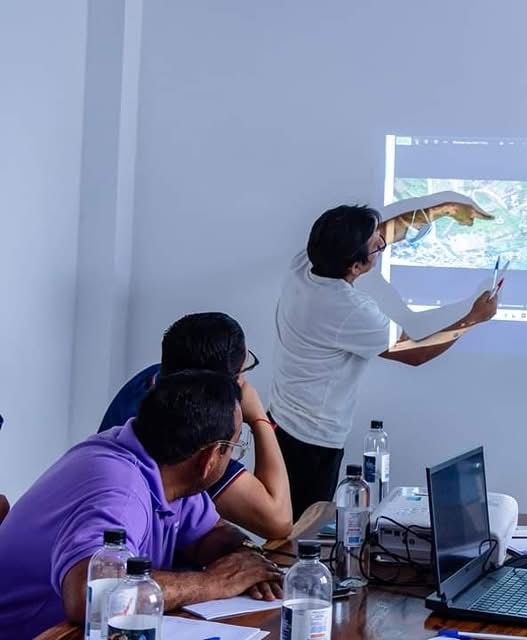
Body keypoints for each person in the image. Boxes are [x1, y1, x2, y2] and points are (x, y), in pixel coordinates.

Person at [0, 371, 285, 639]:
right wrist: (214, 582)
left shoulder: (163, 467)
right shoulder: (121, 491)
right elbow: (90, 596)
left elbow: (211, 534)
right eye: (233, 447)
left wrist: (247, 558)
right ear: (209, 458)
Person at [270, 203, 498, 518]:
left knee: (285, 519)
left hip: (281, 421)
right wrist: (473, 318)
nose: (382, 241)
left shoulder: (306, 266)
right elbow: (416, 353)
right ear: (355, 266)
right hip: (312, 439)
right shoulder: (349, 309)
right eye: (375, 245)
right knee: (300, 527)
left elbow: (383, 232)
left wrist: (444, 210)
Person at [99, 312, 292, 539]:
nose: (246, 383)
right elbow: (277, 520)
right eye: (243, 373)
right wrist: (259, 418)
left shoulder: (151, 381)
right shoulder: (188, 430)